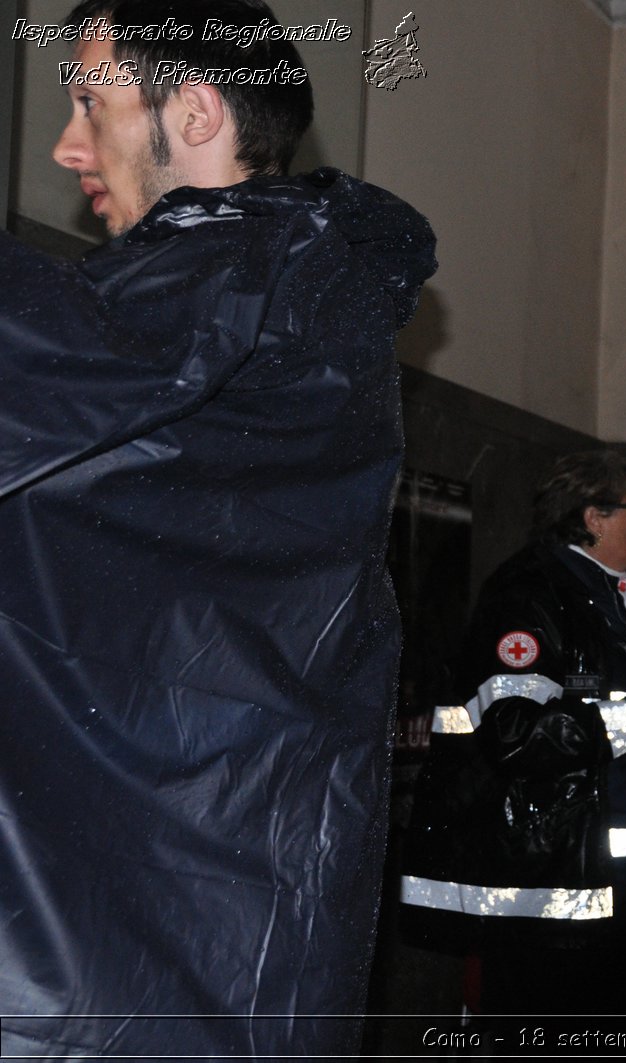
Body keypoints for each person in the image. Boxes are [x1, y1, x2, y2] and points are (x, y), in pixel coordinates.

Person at [0, 1, 436, 1056]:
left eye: (91, 103)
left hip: (111, 975)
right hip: (212, 951)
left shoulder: (232, 289)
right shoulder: (289, 302)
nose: (66, 146)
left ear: (193, 111)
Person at [401, 451, 626, 1016]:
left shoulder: (618, 606)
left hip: (625, 904)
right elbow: (515, 735)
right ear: (593, 517)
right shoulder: (532, 596)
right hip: (552, 909)